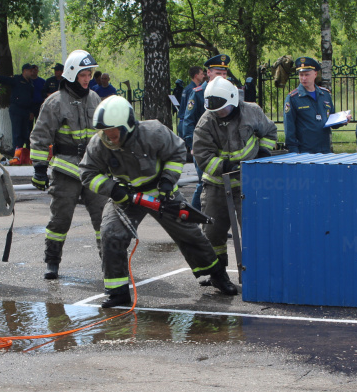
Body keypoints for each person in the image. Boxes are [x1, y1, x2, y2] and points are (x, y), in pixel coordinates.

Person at [80, 95, 239, 308]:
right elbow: (87, 172)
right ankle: (117, 292)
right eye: (104, 133)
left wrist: (167, 181)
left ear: (128, 127)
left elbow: (177, 152)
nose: (109, 139)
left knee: (190, 233)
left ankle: (219, 277)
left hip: (160, 192)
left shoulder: (153, 132)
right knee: (111, 234)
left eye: (113, 134)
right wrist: (113, 189)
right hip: (126, 196)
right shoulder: (100, 143)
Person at [29, 49, 108, 280]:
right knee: (60, 219)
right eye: (83, 74)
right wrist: (39, 169)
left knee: (103, 219)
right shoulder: (54, 102)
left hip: (94, 170)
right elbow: (40, 136)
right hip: (66, 171)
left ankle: (110, 262)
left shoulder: (95, 99)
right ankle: (52, 262)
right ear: (72, 74)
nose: (87, 79)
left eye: (89, 74)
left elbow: (105, 134)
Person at [192, 77, 277, 268]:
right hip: (217, 185)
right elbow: (203, 156)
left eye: (222, 108)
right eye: (214, 109)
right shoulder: (206, 122)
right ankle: (219, 274)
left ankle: (255, 273)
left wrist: (263, 153)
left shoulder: (252, 111)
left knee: (253, 231)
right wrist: (226, 167)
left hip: (249, 185)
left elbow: (270, 132)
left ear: (233, 99)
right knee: (213, 233)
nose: (219, 112)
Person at [182, 54, 232, 209]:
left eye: (224, 74)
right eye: (218, 73)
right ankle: (191, 220)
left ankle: (214, 225)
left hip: (223, 146)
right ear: (208, 73)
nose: (222, 77)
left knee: (223, 185)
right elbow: (188, 121)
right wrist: (192, 145)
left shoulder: (229, 91)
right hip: (203, 146)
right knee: (204, 183)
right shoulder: (198, 93)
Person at [284, 57, 348, 153]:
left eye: (307, 74)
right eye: (301, 75)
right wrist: (294, 152)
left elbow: (330, 120)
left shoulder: (325, 94)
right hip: (304, 152)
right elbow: (289, 128)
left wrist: (342, 120)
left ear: (315, 74)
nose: (303, 78)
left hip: (325, 150)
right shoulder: (293, 98)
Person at [0, 63, 36, 165]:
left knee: (26, 134)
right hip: (17, 110)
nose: (31, 72)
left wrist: (31, 111)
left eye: (32, 70)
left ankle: (25, 156)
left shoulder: (30, 83)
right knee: (17, 134)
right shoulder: (17, 79)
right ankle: (16, 157)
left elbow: (30, 99)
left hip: (26, 111)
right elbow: (3, 79)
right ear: (24, 71)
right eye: (29, 70)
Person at [178, 66, 204, 138]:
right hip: (187, 123)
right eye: (201, 74)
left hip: (183, 122)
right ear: (196, 76)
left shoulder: (187, 88)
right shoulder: (193, 90)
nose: (203, 76)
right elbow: (190, 109)